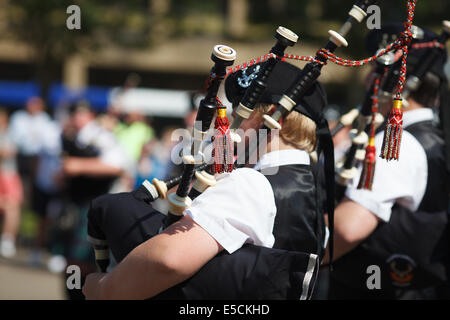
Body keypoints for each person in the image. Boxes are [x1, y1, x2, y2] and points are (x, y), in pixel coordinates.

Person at [82, 60, 333, 300]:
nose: (231, 126)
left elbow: (167, 260)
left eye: (241, 113)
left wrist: (104, 289)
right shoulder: (315, 189)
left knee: (113, 207)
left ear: (273, 119)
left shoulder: (252, 183)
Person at [326, 24, 450, 299]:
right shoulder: (430, 138)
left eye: (375, 70)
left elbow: (347, 229)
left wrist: (294, 261)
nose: (367, 80)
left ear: (392, 80)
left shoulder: (400, 144)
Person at [60, 101, 131, 299]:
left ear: (91, 115)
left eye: (81, 113)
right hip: (73, 205)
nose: (76, 117)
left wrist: (79, 166)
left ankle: (80, 296)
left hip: (93, 205)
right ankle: (73, 295)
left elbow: (117, 165)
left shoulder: (101, 137)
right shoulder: (69, 136)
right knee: (70, 261)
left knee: (83, 262)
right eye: (73, 113)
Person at [0, 109, 23, 258]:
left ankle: (8, 239)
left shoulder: (10, 136)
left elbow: (9, 152)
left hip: (8, 176)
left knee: (12, 208)